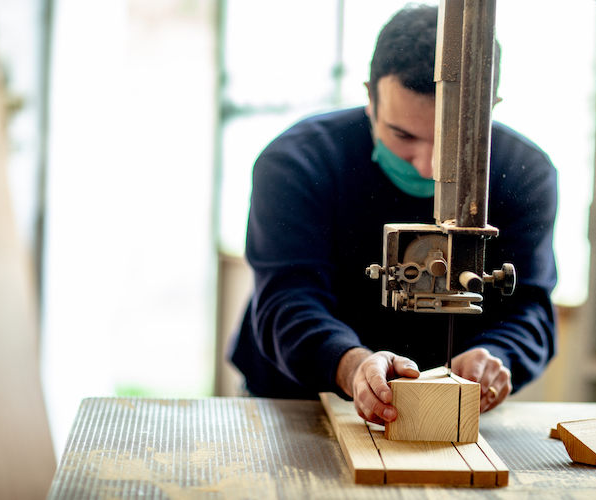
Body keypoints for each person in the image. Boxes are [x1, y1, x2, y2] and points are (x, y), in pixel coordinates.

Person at [230, 4, 557, 425]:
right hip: (294, 401)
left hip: (442, 413)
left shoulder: (526, 173)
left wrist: (498, 356)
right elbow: (286, 297)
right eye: (403, 135)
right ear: (370, 97)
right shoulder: (296, 161)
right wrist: (350, 366)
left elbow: (530, 306)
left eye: (454, 142)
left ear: (489, 107)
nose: (429, 166)